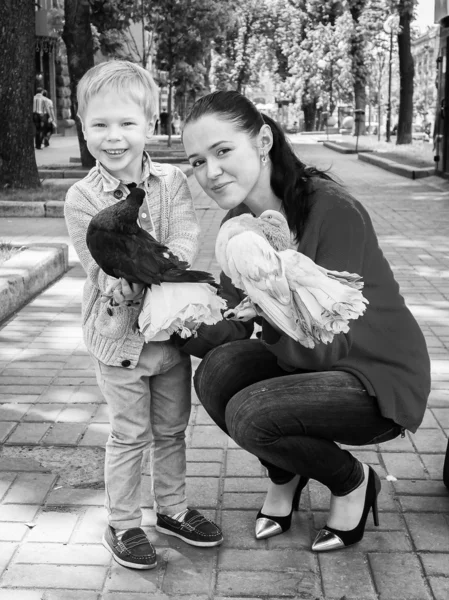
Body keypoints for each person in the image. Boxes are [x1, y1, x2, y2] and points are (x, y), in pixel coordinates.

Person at [180, 90, 431, 552]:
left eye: (222, 151)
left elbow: (326, 345)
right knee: (216, 375)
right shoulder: (239, 223)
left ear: (262, 141)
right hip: (310, 366)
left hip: (375, 376)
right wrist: (176, 314)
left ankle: (353, 482)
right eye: (197, 161)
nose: (210, 173)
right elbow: (231, 326)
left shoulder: (332, 211)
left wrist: (268, 315)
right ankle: (285, 476)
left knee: (250, 414)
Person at [64, 61, 223, 571]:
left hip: (171, 338)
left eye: (127, 123)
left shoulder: (171, 180)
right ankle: (124, 522)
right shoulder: (82, 197)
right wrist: (136, 275)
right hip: (119, 341)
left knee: (173, 428)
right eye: (101, 125)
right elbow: (98, 265)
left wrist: (168, 268)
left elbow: (184, 234)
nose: (115, 137)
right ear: (83, 127)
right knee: (129, 433)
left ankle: (172, 509)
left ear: (150, 124)